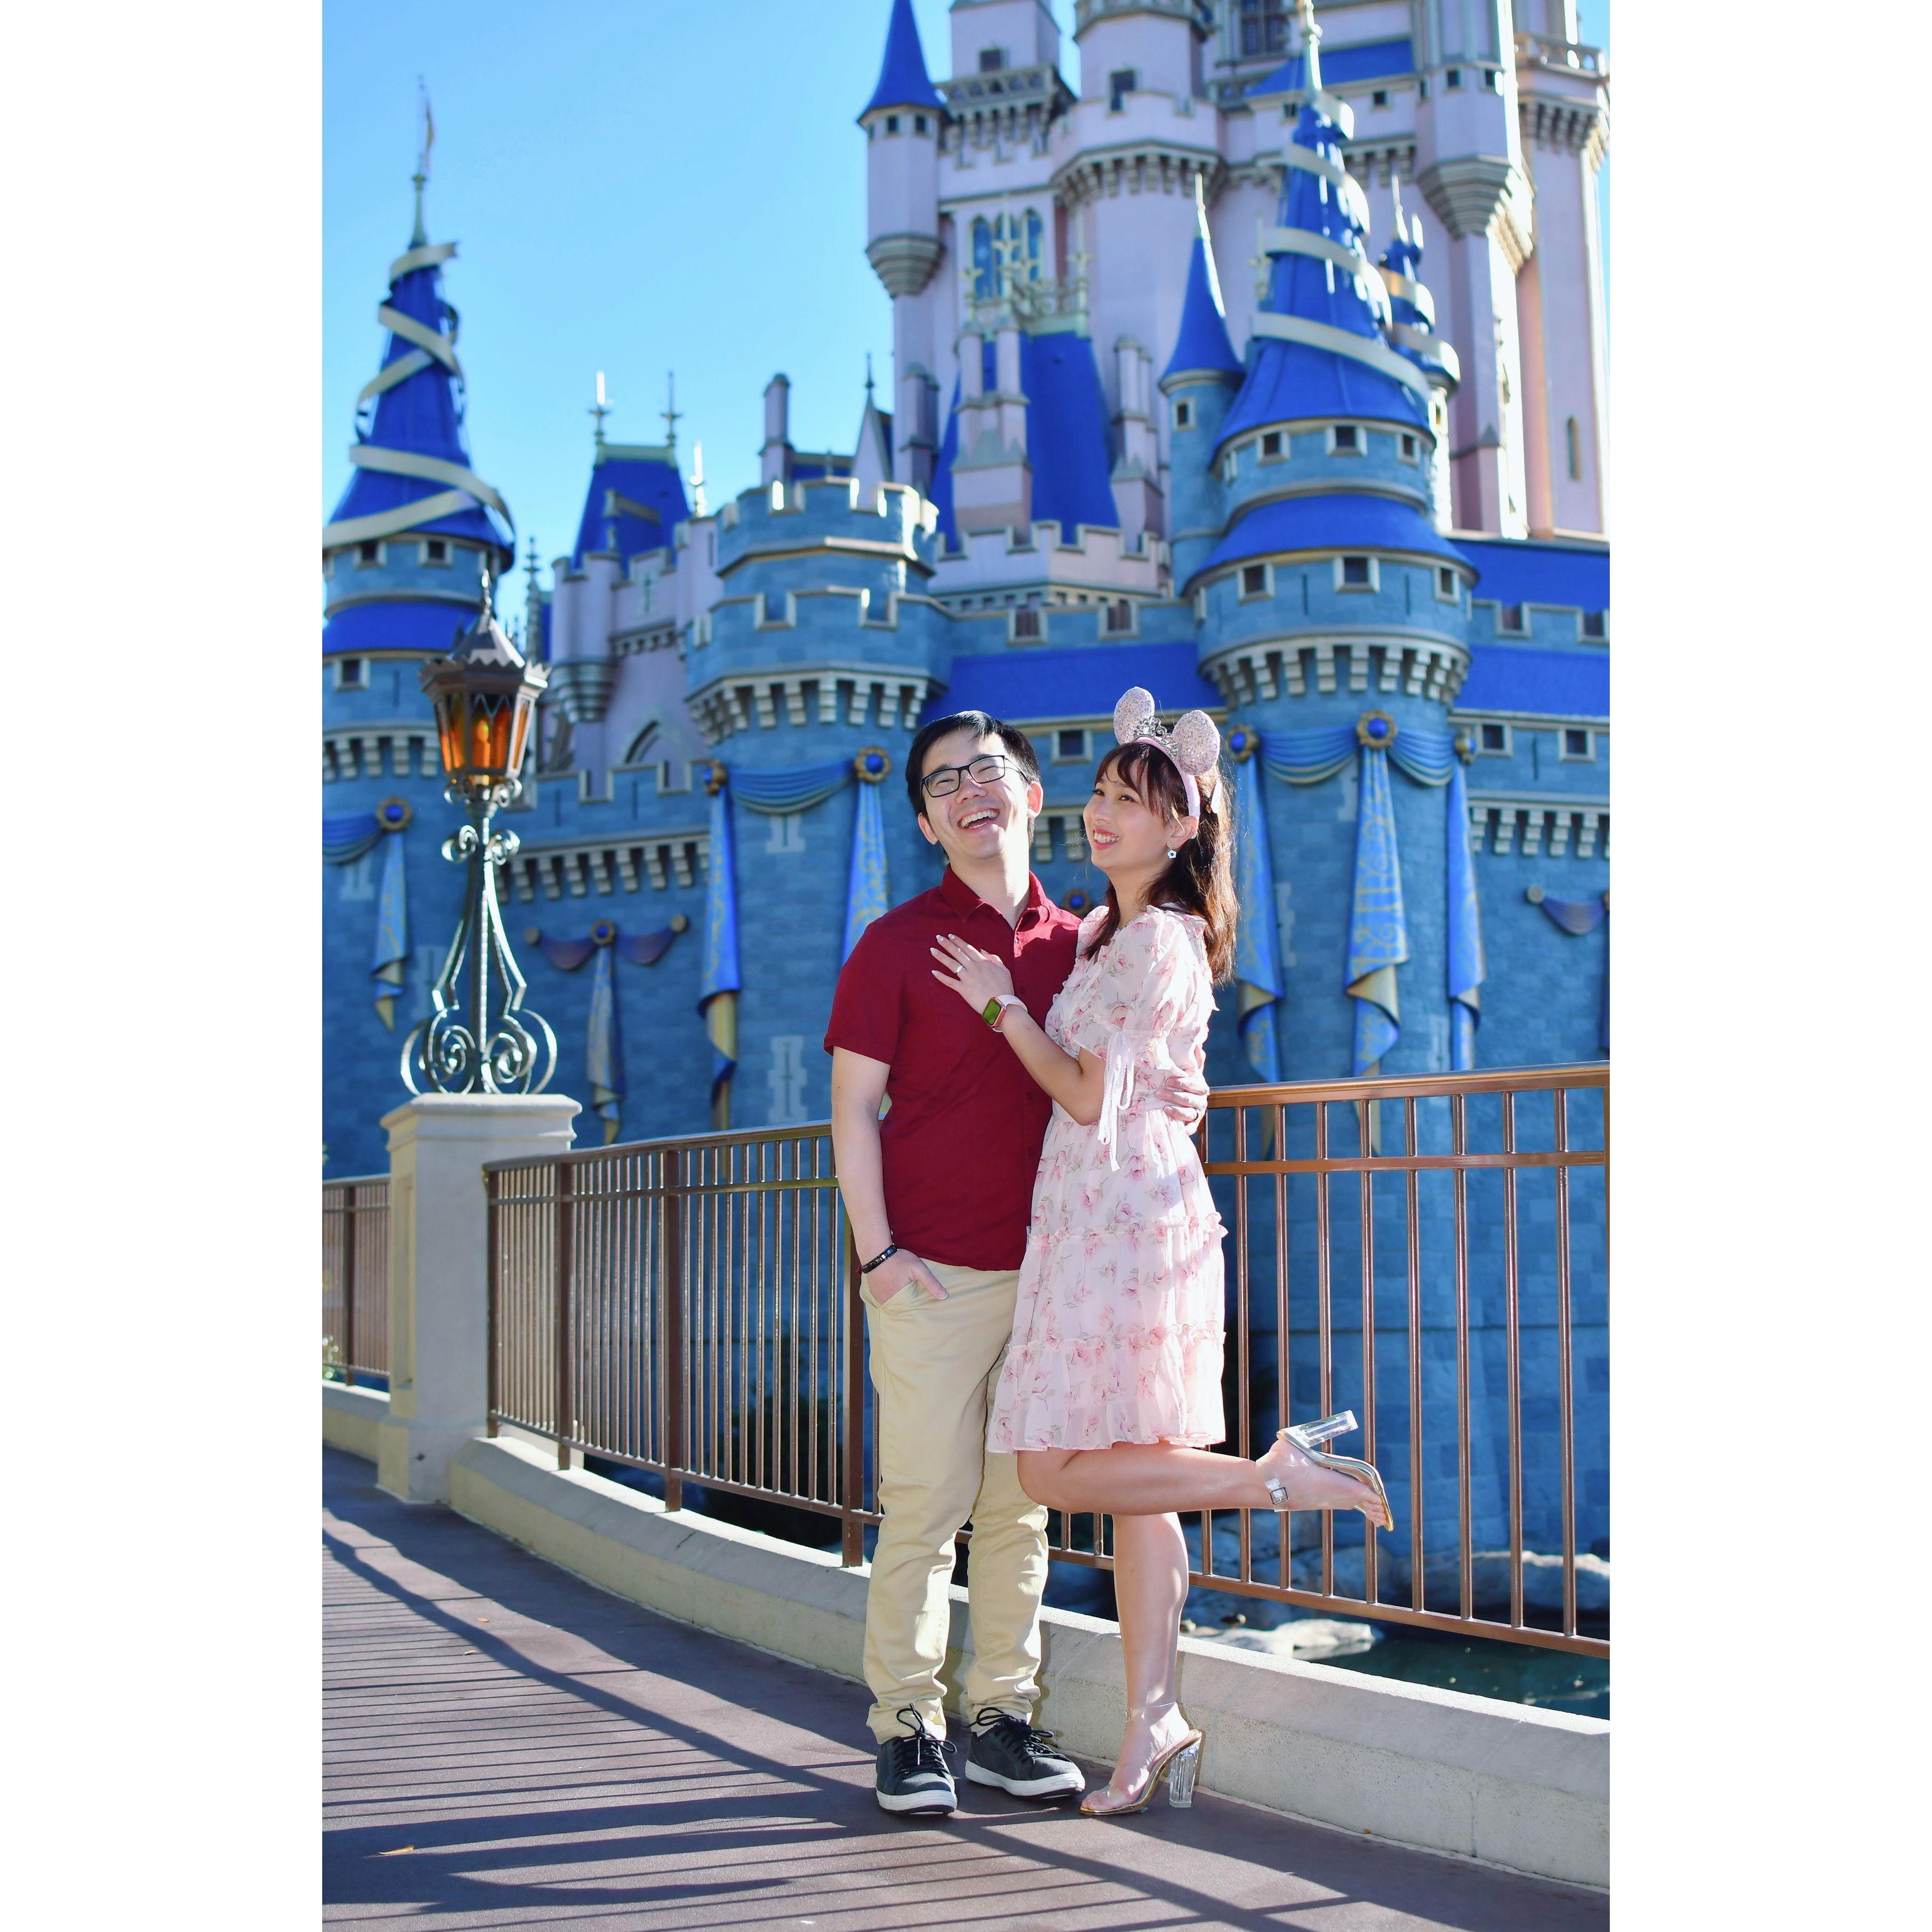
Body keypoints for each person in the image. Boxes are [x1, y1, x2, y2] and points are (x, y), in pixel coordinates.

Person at [929, 688, 1393, 1819]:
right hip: (1102, 1205)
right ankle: (1153, 1723)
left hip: (1125, 1216)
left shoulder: (1161, 941)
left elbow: (1089, 1094)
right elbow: (1137, 1077)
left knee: (1048, 1470)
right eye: (1099, 793)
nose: (1102, 814)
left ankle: (1274, 1479)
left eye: (1131, 802)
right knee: (1141, 1489)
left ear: (1182, 826)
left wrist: (1000, 1009)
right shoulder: (1110, 934)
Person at [824, 709, 1209, 1817]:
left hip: (1058, 1279)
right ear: (925, 822)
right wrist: (879, 1253)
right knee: (924, 1507)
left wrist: (1184, 1089)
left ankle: (1000, 1716)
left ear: (1034, 795)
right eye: (944, 783)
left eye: (988, 770)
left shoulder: (1085, 941)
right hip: (934, 1274)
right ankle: (907, 1725)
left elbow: (1132, 1061)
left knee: (1019, 1513)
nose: (969, 793)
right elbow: (851, 1110)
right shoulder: (894, 944)